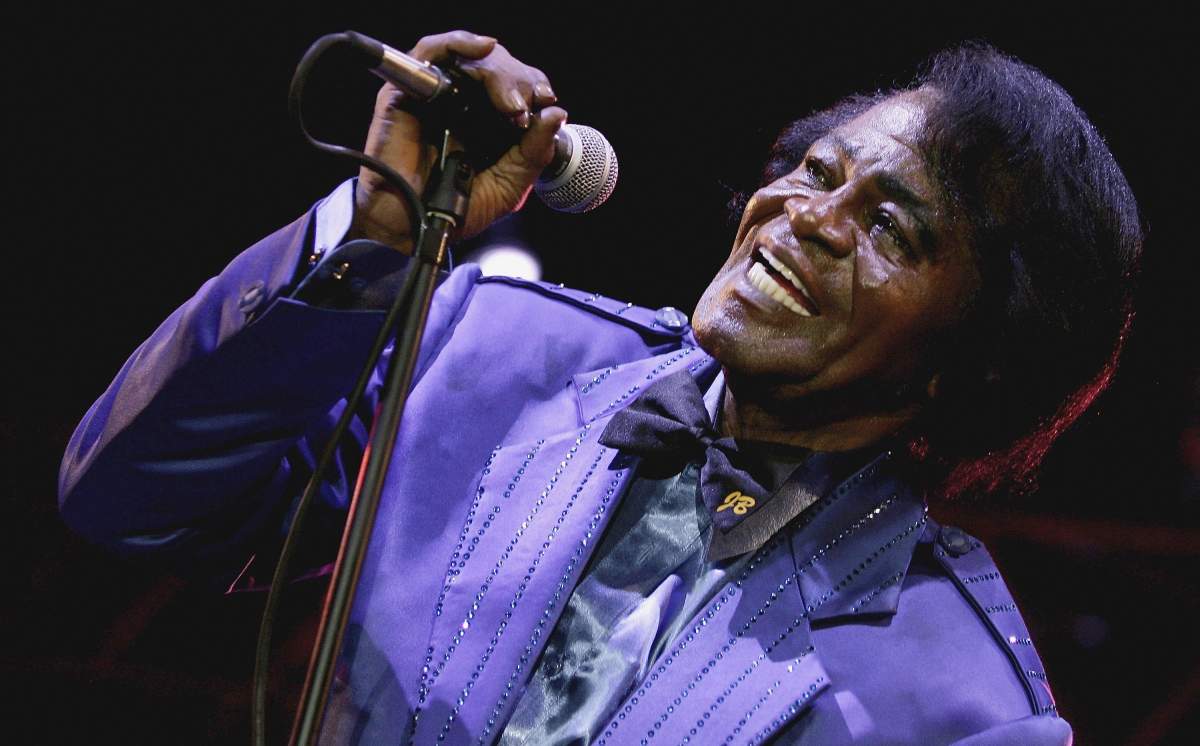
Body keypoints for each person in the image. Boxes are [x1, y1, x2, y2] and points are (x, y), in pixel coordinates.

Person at [58, 30, 1140, 745]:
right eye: (816, 170)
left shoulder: (962, 705)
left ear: (980, 355)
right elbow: (130, 495)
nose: (806, 215)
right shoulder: (489, 349)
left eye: (891, 226)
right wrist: (377, 233)